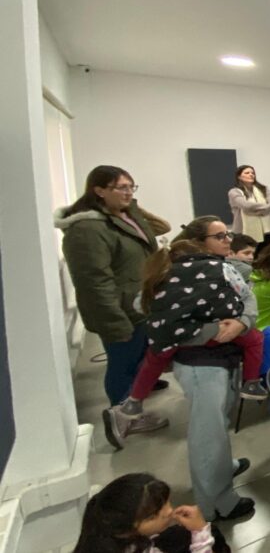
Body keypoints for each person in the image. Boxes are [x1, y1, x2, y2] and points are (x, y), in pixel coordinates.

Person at [103, 236, 268, 450]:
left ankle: (133, 402)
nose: (225, 240)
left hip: (172, 337)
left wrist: (176, 314)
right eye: (219, 236)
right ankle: (251, 382)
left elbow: (140, 305)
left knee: (153, 361)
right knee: (255, 339)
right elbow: (243, 293)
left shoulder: (160, 276)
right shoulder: (221, 268)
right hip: (221, 330)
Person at [55, 165, 169, 432]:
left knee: (139, 356)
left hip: (139, 302)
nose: (129, 193)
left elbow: (163, 226)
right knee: (122, 364)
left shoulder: (124, 216)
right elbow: (94, 281)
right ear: (99, 190)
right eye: (122, 187)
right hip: (120, 309)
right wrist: (114, 321)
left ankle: (138, 393)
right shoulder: (87, 228)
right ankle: (124, 418)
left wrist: (132, 206)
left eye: (132, 187)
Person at [164, 216, 258, 522]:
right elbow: (158, 316)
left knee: (218, 425)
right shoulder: (175, 273)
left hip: (226, 358)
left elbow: (248, 299)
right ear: (199, 241)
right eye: (219, 237)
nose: (228, 241)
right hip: (200, 364)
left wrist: (242, 322)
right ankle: (214, 505)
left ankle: (223, 469)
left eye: (227, 234)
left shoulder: (224, 267)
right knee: (208, 436)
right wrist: (211, 329)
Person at [73, 473, 223, 553]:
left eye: (166, 502)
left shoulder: (101, 535)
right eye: (152, 516)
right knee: (212, 537)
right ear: (124, 530)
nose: (169, 511)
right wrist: (200, 532)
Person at [227, 165, 270, 240]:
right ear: (239, 177)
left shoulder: (264, 189)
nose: (251, 175)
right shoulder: (234, 192)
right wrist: (267, 208)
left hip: (267, 231)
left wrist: (257, 210)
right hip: (243, 232)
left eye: (252, 173)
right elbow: (246, 205)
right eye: (247, 173)